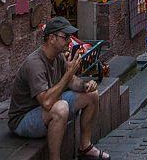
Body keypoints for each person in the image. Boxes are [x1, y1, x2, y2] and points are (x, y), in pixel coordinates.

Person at [7, 17, 110, 160]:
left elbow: (72, 82)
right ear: (51, 38)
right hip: (24, 119)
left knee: (92, 95)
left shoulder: (58, 57)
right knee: (61, 108)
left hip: (44, 108)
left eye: (70, 37)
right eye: (65, 37)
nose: (69, 41)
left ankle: (85, 147)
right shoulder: (35, 64)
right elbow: (47, 102)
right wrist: (68, 74)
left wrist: (86, 86)